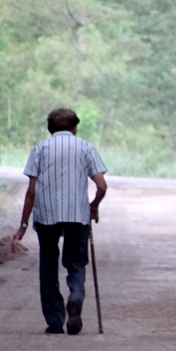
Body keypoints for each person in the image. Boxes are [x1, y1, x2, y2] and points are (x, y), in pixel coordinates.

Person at [11, 108, 107, 335]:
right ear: (75, 128)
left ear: (50, 129)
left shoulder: (40, 150)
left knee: (48, 265)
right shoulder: (85, 148)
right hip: (77, 215)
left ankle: (55, 321)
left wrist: (23, 226)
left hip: (46, 215)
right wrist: (93, 205)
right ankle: (75, 296)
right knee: (76, 262)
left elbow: (31, 192)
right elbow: (101, 186)